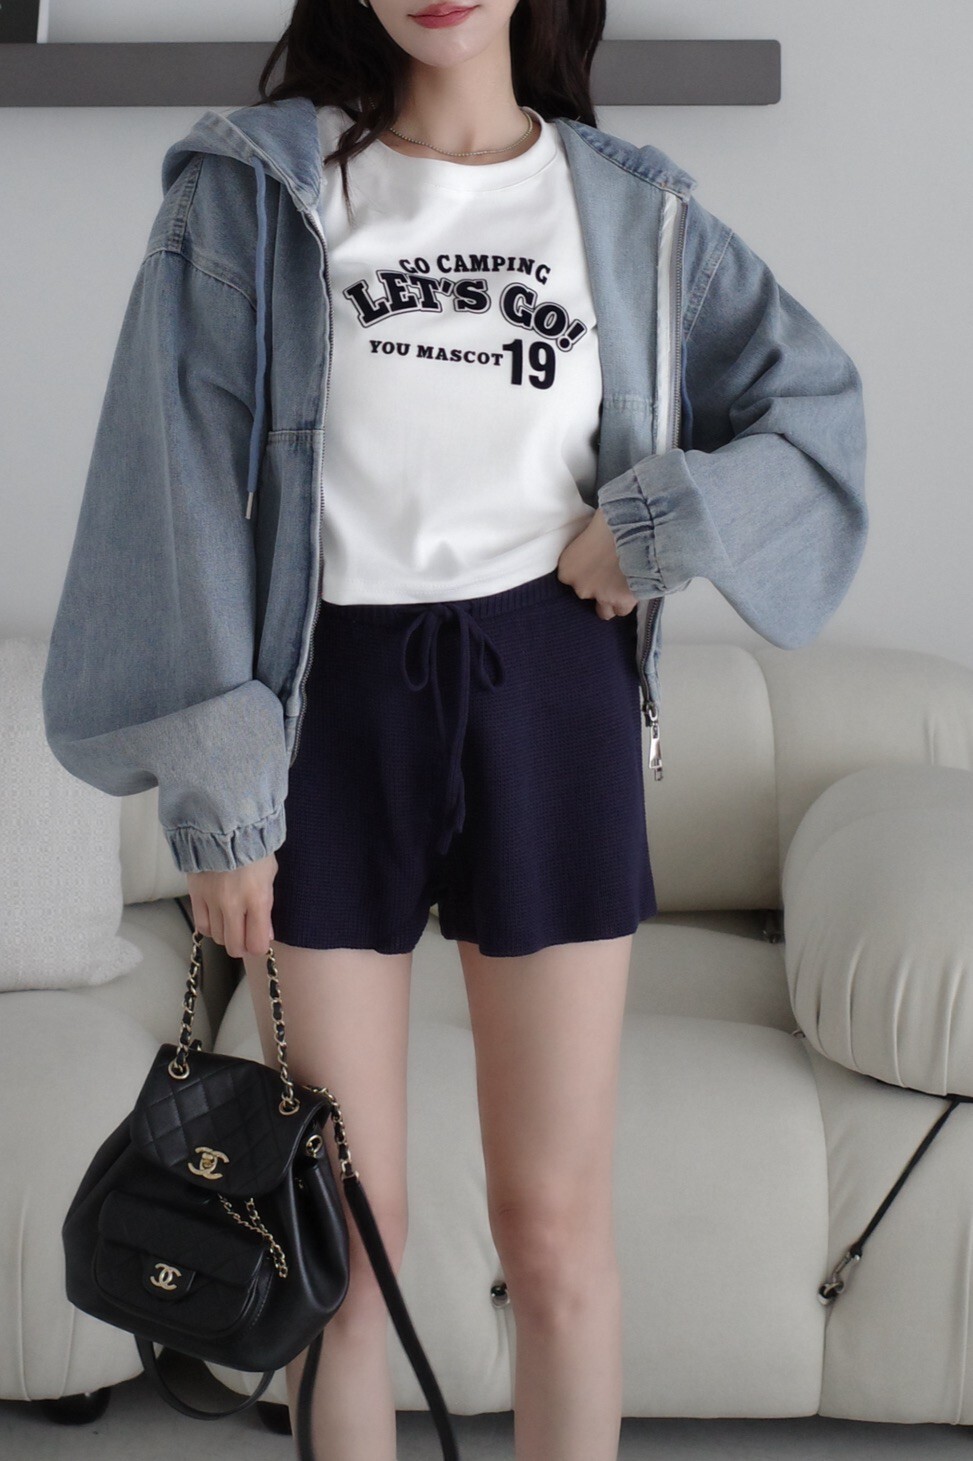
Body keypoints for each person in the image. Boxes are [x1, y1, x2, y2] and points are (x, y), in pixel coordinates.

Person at [41, 1, 868, 1457]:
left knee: (552, 1227)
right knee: (342, 1235)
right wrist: (221, 791)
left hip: (553, 698)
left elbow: (814, 418)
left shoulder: (632, 210)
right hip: (331, 710)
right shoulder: (257, 195)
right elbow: (172, 490)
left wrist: (658, 524)